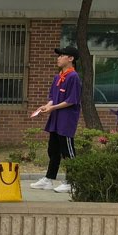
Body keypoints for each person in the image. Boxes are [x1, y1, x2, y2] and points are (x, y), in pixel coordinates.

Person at [31, 47, 82, 194]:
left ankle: (73, 181)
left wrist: (52, 108)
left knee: (67, 151)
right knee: (53, 150)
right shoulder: (57, 77)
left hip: (66, 119)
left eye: (61, 55)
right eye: (58, 56)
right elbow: (53, 98)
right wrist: (47, 106)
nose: (58, 58)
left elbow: (71, 100)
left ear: (71, 58)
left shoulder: (73, 77)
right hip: (55, 118)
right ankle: (49, 178)